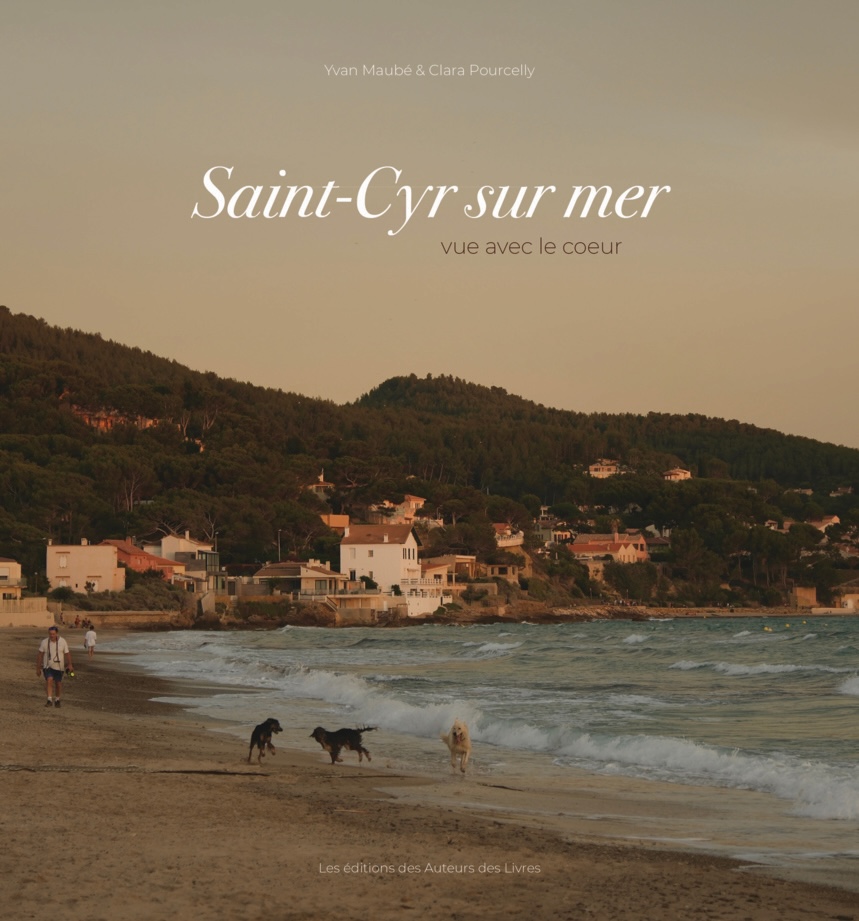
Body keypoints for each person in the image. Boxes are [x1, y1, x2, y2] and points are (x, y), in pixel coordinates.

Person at [36, 625, 73, 708]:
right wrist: (38, 668)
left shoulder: (63, 641)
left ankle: (57, 699)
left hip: (59, 667)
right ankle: (49, 699)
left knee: (58, 684)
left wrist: (70, 664)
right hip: (47, 666)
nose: (52, 636)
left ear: (57, 633)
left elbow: (67, 653)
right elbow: (40, 655)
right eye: (50, 634)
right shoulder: (44, 642)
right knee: (49, 680)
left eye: (53, 634)